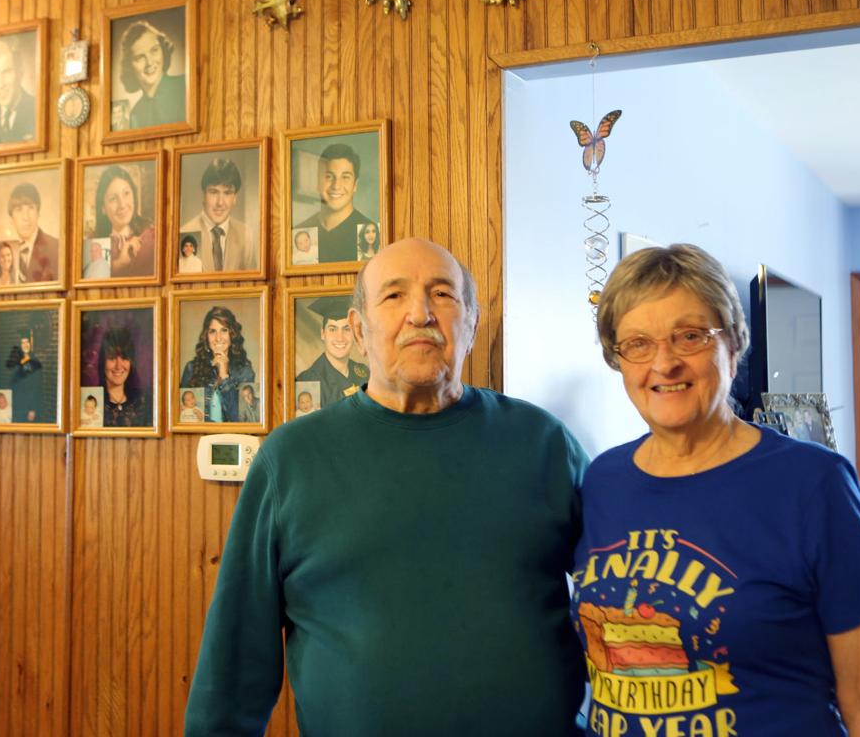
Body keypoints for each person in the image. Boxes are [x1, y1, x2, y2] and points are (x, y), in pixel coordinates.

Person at [186, 238, 589, 734]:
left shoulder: (544, 444)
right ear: (358, 329)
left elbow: (624, 593)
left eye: (442, 294)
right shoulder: (291, 460)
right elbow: (233, 666)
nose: (420, 313)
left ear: (472, 322)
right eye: (394, 296)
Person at [573, 243, 860, 735]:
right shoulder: (603, 481)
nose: (663, 364)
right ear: (618, 360)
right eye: (638, 344)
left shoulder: (813, 484)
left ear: (732, 343)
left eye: (689, 336)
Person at [294, 143, 373, 264]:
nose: (336, 186)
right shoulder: (298, 232)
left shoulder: (370, 232)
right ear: (317, 182)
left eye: (345, 177)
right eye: (328, 176)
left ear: (355, 185)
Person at [179, 306, 255, 423]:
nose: (218, 338)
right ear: (206, 336)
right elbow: (183, 418)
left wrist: (224, 375)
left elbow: (239, 420)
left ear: (232, 335)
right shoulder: (191, 368)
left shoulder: (244, 370)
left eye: (224, 330)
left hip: (232, 438)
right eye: (212, 331)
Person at [178, 158, 257, 272]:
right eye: (213, 192)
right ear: (203, 195)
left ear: (235, 198)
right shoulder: (184, 233)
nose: (220, 202)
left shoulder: (246, 235)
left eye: (227, 193)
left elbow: (253, 286)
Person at [294, 297, 368, 408]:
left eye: (346, 329)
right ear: (323, 334)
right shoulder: (308, 381)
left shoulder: (365, 373)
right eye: (332, 329)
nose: (340, 338)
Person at [118, 19, 185, 129]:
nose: (149, 62)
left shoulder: (185, 87)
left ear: (163, 50)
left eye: (154, 50)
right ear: (129, 67)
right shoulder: (135, 115)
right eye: (140, 57)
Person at [93, 165, 155, 278]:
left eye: (126, 193)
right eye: (113, 199)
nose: (122, 205)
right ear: (103, 208)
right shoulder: (96, 245)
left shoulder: (152, 236)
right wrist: (118, 264)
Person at [4, 182, 59, 283]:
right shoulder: (5, 250)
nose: (26, 217)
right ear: (11, 219)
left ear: (38, 213)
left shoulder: (56, 248)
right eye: (18, 209)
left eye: (31, 208)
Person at [98, 326, 151, 427]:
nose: (119, 366)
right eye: (112, 358)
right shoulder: (93, 403)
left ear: (131, 362)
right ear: (102, 361)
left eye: (124, 357)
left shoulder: (145, 402)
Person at [5, 332, 44, 423]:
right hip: (17, 405)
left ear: (30, 344)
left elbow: (37, 387)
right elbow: (11, 382)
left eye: (27, 342)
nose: (25, 345)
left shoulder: (35, 362)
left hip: (28, 407)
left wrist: (33, 409)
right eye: (23, 343)